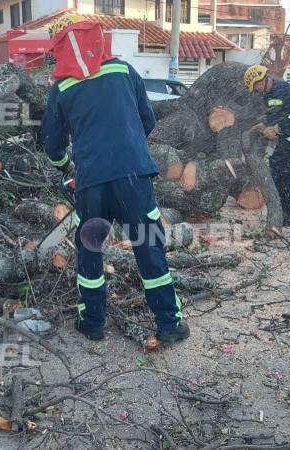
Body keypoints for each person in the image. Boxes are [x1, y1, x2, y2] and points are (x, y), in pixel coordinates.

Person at [41, 16, 190, 344]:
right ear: (98, 40)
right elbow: (147, 120)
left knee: (91, 250)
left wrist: (65, 166)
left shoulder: (62, 88)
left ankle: (93, 323)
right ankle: (169, 323)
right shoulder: (124, 71)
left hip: (92, 184)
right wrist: (129, 144)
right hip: (134, 180)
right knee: (149, 246)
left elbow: (52, 145)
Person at [243, 65, 290, 226]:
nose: (256, 90)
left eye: (256, 86)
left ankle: (289, 212)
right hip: (287, 137)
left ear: (262, 80)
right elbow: (274, 114)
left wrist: (278, 128)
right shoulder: (267, 96)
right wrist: (263, 124)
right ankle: (279, 209)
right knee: (276, 167)